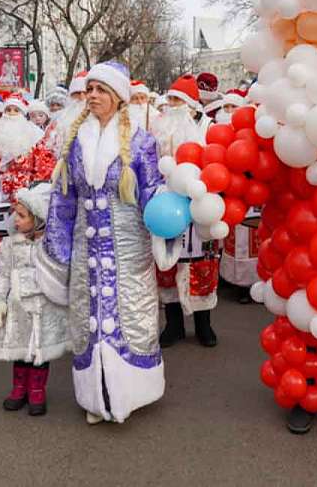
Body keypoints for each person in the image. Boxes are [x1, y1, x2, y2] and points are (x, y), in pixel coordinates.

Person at [43, 60, 165, 424]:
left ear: (117, 97)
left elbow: (152, 193)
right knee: (88, 320)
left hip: (128, 251)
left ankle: (130, 393)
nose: (91, 96)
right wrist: (59, 252)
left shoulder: (142, 142)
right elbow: (62, 200)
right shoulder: (75, 144)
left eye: (100, 90)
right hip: (86, 250)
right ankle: (96, 396)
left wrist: (168, 220)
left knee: (129, 318)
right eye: (89, 90)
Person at [0, 182, 68, 416]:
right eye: (15, 215)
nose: (16, 220)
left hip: (44, 307)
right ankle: (19, 388)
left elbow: (61, 273)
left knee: (39, 351)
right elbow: (2, 275)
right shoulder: (9, 244)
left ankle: (37, 390)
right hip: (18, 306)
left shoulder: (50, 245)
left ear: (40, 218)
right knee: (20, 349)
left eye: (22, 216)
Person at [152, 74, 221, 347]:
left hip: (198, 204)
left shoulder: (207, 128)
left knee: (201, 266)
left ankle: (204, 324)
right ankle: (174, 325)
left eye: (179, 99)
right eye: (170, 99)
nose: (172, 104)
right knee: (168, 265)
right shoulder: (157, 130)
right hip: (165, 207)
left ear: (192, 104)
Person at [0, 95, 54, 202]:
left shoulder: (35, 135)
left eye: (16, 110)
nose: (11, 113)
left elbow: (42, 165)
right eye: (8, 110)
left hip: (26, 190)